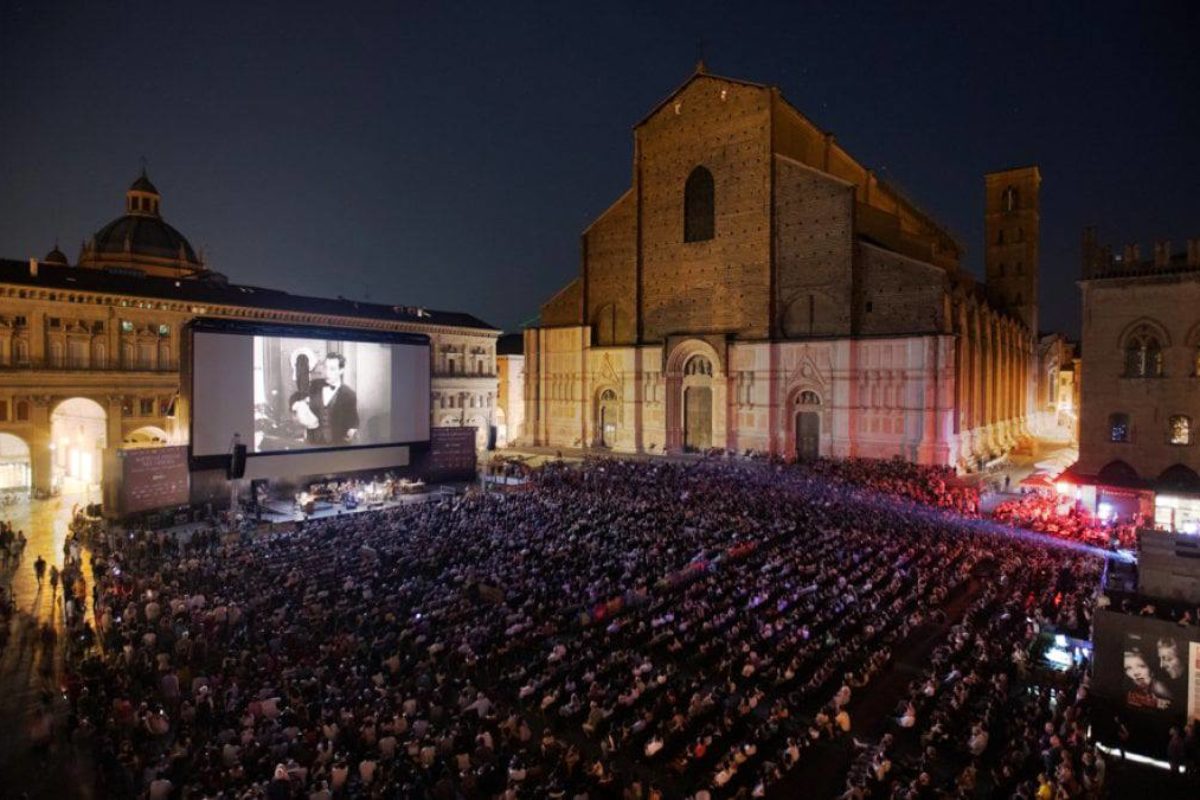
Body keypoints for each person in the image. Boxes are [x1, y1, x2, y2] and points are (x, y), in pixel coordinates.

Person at [292, 352, 359, 446]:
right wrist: (298, 404)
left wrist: (352, 430)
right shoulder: (315, 385)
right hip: (312, 443)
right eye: (325, 367)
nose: (327, 373)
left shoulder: (349, 394)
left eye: (332, 369)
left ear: (341, 370)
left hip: (337, 445)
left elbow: (353, 421)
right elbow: (297, 396)